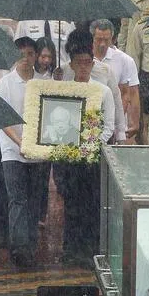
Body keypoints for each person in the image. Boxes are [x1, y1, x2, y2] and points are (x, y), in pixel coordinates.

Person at [51, 31, 115, 265]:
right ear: (72, 64)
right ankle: (71, 250)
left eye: (88, 62)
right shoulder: (65, 88)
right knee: (72, 204)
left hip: (93, 159)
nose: (84, 67)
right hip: (69, 157)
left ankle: (91, 251)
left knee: (92, 205)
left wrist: (92, 146)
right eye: (79, 63)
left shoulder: (103, 91)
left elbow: (108, 126)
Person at [0, 37, 45, 266]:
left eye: (30, 54)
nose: (26, 59)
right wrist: (20, 143)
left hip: (39, 153)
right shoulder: (4, 83)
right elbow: (2, 120)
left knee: (35, 200)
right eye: (22, 54)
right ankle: (19, 248)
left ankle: (32, 244)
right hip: (12, 152)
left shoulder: (43, 82)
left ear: (36, 56)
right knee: (17, 200)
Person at [92, 20, 140, 141]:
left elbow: (129, 93)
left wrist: (131, 122)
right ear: (92, 38)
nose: (102, 44)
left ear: (113, 38)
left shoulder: (125, 60)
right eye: (98, 39)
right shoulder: (84, 60)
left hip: (114, 122)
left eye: (106, 40)